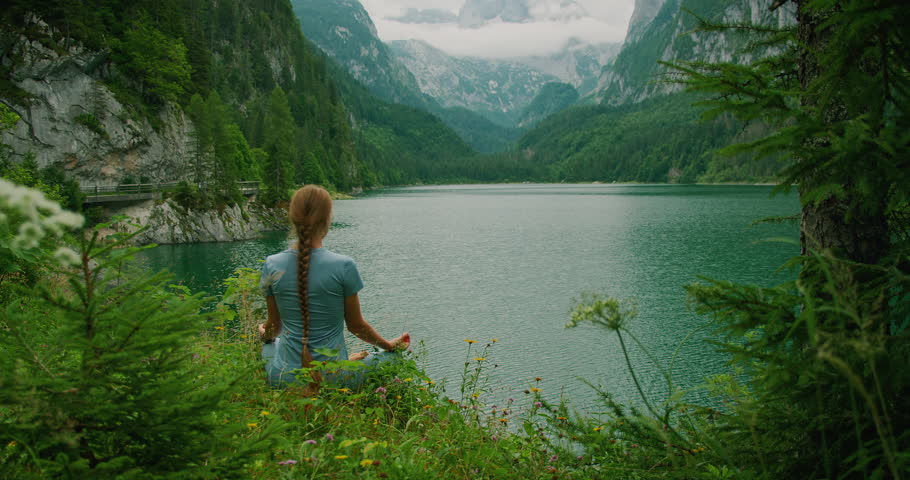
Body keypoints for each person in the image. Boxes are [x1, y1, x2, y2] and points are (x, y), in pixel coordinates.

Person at [258, 185, 409, 391]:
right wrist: (389, 346)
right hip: (333, 378)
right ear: (327, 220)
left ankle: (347, 361)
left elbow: (273, 328)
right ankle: (351, 361)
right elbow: (356, 326)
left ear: (293, 219)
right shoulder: (344, 266)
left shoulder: (272, 264)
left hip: (284, 378)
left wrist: (264, 334)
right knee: (394, 360)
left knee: (269, 346)